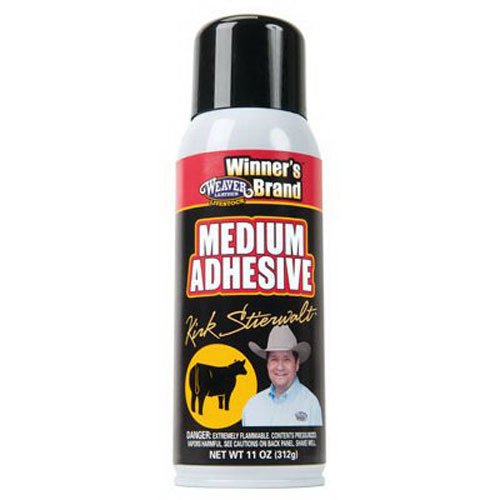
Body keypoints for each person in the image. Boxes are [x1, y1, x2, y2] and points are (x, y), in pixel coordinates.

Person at [242, 325, 323, 426]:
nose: (280, 367)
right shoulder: (252, 407)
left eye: (286, 359)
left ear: (297, 364)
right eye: (274, 359)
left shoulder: (311, 404)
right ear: (267, 364)